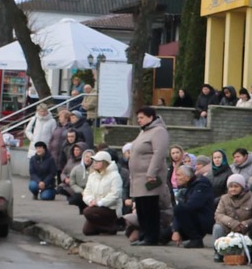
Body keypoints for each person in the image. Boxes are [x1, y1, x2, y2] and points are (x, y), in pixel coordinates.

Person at [128, 106, 169, 246]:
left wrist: (151, 172)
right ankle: (144, 235)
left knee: (149, 208)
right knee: (140, 208)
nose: (138, 120)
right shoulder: (144, 131)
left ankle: (152, 237)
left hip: (149, 177)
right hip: (138, 177)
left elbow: (159, 153)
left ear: (150, 117)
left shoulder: (159, 131)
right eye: (138, 118)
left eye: (141, 117)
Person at [168, 164, 216, 248]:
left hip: (204, 221)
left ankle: (196, 240)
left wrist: (177, 229)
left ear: (187, 177)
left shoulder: (201, 186)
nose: (176, 178)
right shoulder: (187, 187)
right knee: (165, 234)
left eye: (179, 175)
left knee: (179, 209)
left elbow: (191, 206)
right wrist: (175, 230)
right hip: (193, 221)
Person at [81, 151, 125, 235]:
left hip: (111, 208)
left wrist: (100, 203)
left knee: (87, 211)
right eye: (94, 162)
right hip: (95, 207)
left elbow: (115, 195)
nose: (95, 164)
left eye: (98, 162)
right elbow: (87, 192)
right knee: (87, 231)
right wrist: (90, 201)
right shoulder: (92, 176)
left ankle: (112, 225)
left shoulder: (115, 176)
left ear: (105, 162)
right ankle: (107, 228)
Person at [212, 173, 252, 245]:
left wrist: (245, 224)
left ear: (242, 187)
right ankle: (218, 252)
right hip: (228, 227)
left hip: (245, 228)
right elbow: (218, 214)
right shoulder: (224, 198)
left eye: (236, 186)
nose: (233, 189)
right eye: (231, 187)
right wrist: (233, 223)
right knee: (217, 227)